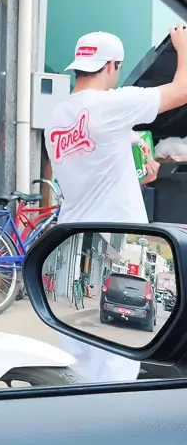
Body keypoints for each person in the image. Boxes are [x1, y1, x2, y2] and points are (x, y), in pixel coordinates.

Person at [45, 25, 187, 383]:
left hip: (69, 242)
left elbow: (93, 171)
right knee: (120, 353)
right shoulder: (111, 104)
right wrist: (182, 45)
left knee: (78, 353)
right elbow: (182, 91)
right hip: (115, 244)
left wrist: (138, 172)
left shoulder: (57, 118)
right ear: (112, 66)